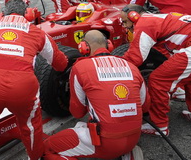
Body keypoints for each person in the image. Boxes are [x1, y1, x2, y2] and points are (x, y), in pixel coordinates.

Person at [0, 0, 68, 160]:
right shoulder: (37, 31)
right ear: (26, 13)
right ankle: (35, 157)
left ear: (2, 13)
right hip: (23, 86)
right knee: (31, 128)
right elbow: (60, 63)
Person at [43, 30, 148, 160]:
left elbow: (77, 112)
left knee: (46, 148)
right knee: (84, 126)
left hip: (106, 142)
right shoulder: (132, 66)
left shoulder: (80, 67)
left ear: (83, 47)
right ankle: (126, 153)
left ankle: (113, 152)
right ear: (109, 45)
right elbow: (145, 105)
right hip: (133, 138)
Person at [120, 4, 191, 136]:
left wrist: (113, 65)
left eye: (125, 22)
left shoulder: (144, 23)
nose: (124, 26)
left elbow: (135, 57)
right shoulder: (158, 18)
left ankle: (159, 126)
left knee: (158, 81)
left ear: (134, 16)